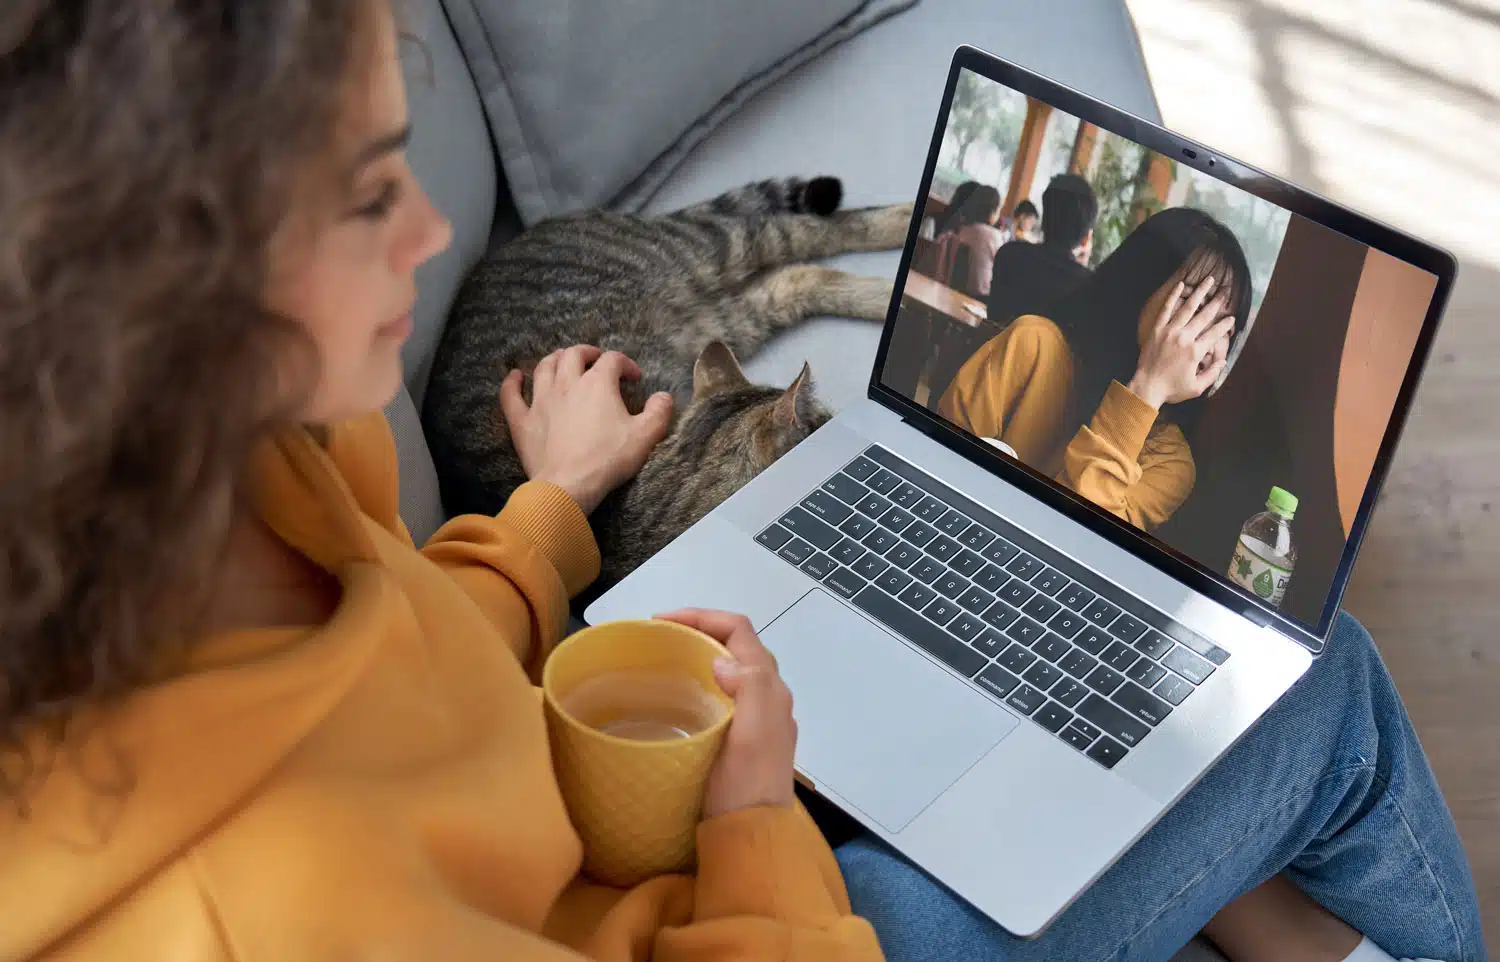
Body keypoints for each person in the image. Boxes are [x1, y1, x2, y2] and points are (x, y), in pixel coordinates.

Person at [0, 5, 1483, 962]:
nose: (430, 230)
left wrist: (544, 515)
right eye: (373, 189)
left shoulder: (234, 464)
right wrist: (762, 818)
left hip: (645, 822)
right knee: (1317, 688)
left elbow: (386, 674)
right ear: (175, 283)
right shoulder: (275, 911)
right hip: (773, 916)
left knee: (1092, 731)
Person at [944, 207, 1248, 530]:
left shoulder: (1172, 464)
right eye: (1195, 305)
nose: (1200, 339)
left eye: (1224, 326)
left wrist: (1148, 389)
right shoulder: (1033, 345)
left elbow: (1078, 539)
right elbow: (939, 468)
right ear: (1138, 287)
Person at [987, 173, 1099, 328]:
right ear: (1086, 238)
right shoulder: (1089, 289)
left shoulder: (1009, 255)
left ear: (1043, 219)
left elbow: (993, 316)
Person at [933, 183, 1004, 296]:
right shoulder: (994, 236)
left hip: (954, 291)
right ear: (992, 211)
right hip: (982, 296)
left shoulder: (962, 230)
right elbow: (1003, 268)